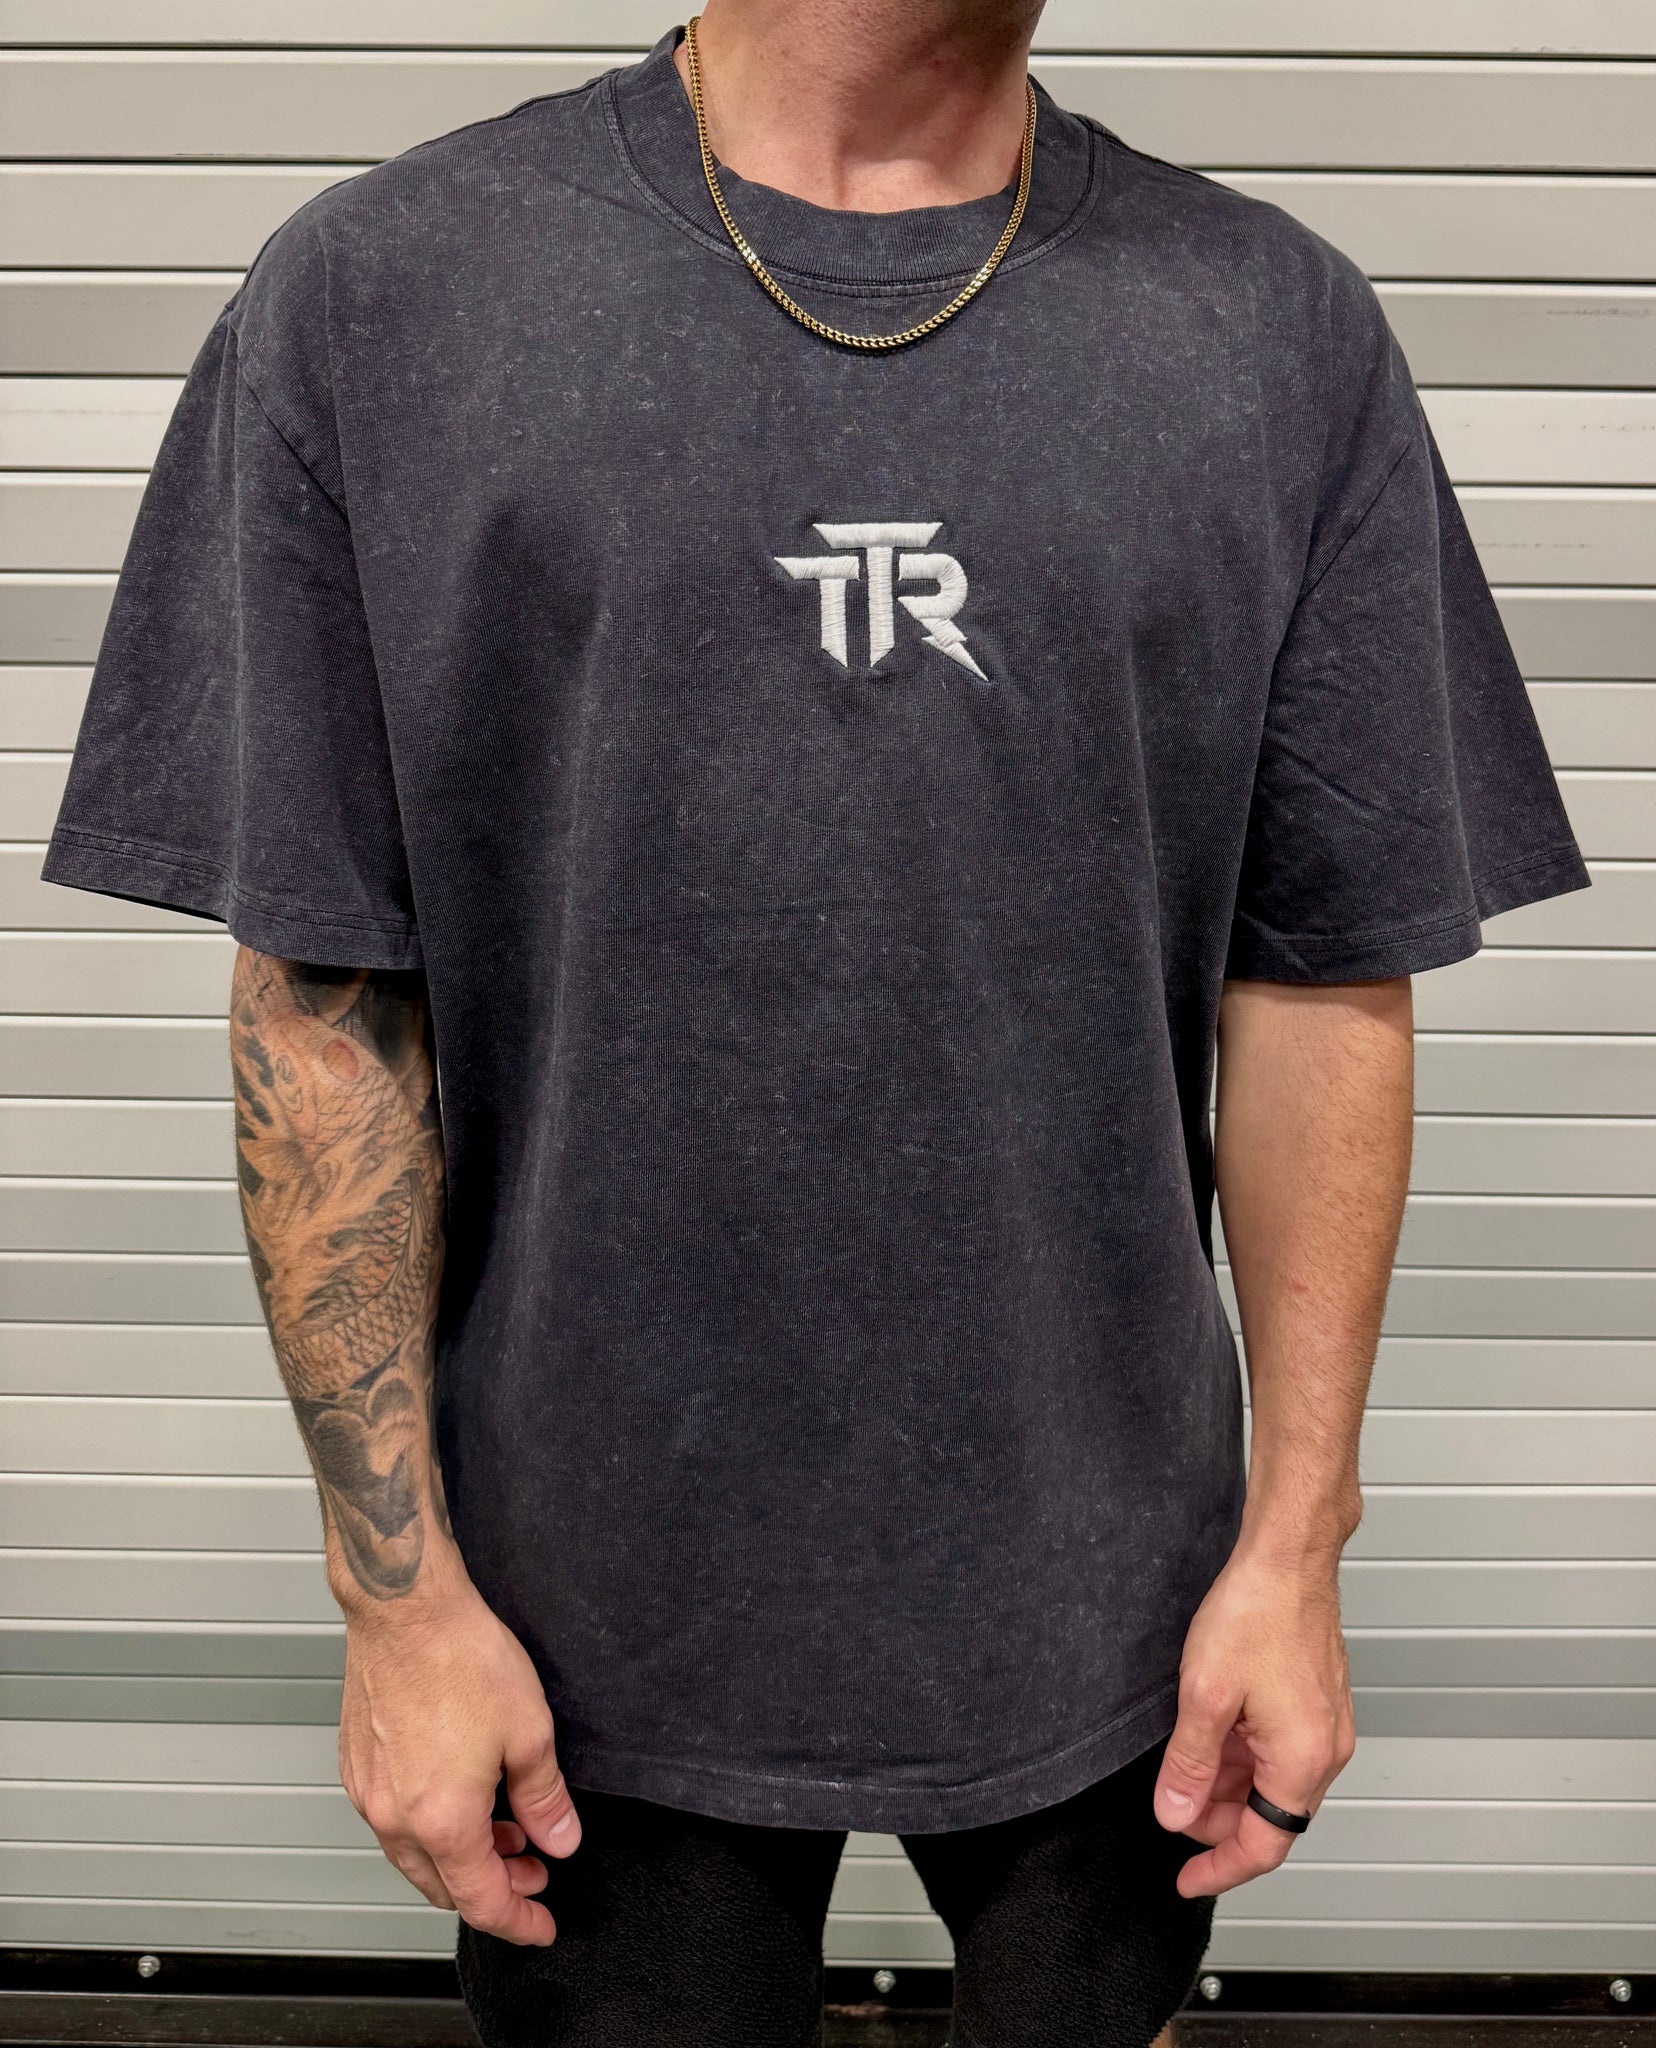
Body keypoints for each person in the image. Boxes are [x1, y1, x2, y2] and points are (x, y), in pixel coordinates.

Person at [42, 3, 1589, 2043]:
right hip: (587, 1611)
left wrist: (1299, 1545)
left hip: (1116, 1595)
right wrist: (395, 1601)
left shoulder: (1273, 333)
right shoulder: (384, 296)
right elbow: (327, 1009)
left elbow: (1318, 976)